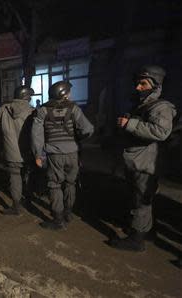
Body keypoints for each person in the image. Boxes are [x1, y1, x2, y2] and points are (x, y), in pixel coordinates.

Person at [109, 65, 176, 251]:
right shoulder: (143, 106)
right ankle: (144, 231)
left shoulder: (161, 107)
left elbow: (161, 132)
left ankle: (136, 240)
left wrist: (129, 124)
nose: (138, 88)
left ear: (155, 86)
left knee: (141, 200)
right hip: (137, 160)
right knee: (137, 198)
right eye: (138, 83)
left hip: (145, 163)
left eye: (143, 84)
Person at [31, 81, 93, 230]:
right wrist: (78, 139)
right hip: (73, 153)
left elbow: (36, 135)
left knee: (54, 185)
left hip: (54, 155)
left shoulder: (43, 110)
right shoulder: (74, 109)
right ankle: (68, 213)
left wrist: (38, 155)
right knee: (70, 183)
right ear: (64, 94)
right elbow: (88, 129)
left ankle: (57, 220)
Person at [0, 85, 34, 215]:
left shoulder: (5, 108)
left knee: (15, 177)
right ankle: (27, 200)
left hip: (11, 151)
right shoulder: (32, 110)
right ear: (27, 97)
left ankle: (16, 206)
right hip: (29, 151)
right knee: (28, 175)